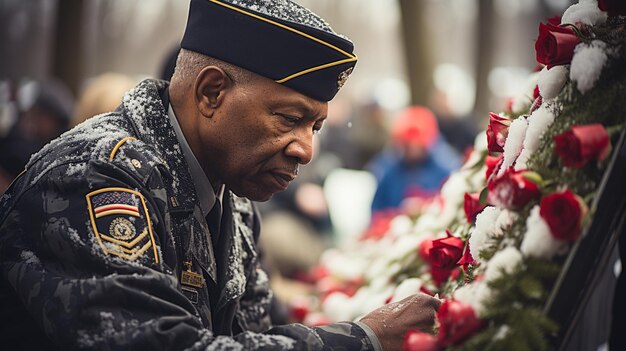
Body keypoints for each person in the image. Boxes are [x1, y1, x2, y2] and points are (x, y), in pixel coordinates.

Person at [0, 0, 440, 350]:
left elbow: (255, 329)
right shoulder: (95, 175)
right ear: (211, 93)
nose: (306, 150)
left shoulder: (231, 192)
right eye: (289, 119)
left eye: (316, 127)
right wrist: (364, 340)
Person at [369, 105, 461, 214]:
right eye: (408, 145)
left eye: (417, 144)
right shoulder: (388, 172)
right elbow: (377, 212)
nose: (413, 149)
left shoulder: (446, 169)